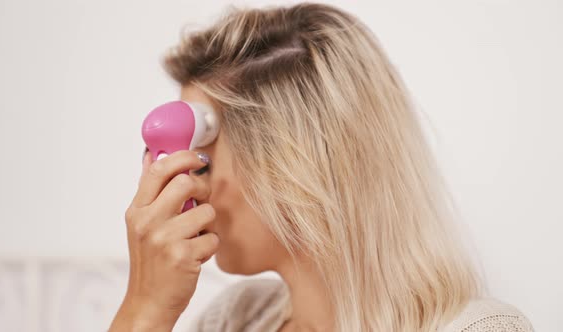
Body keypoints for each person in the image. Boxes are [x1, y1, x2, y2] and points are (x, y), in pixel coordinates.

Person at [109, 2, 535, 331]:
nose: (181, 189)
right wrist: (145, 311)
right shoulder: (234, 319)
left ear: (296, 164)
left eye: (201, 162)